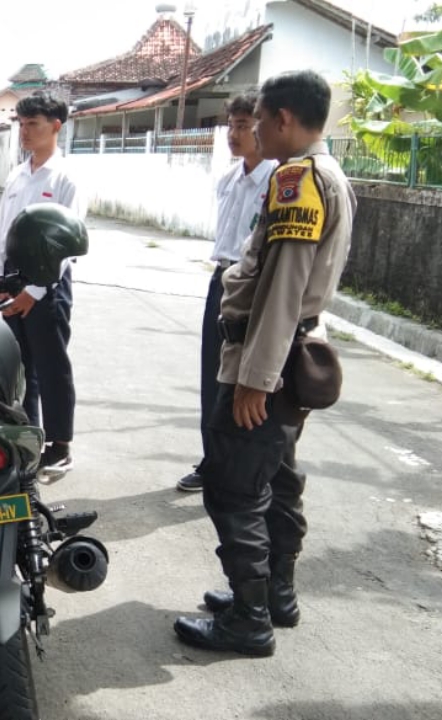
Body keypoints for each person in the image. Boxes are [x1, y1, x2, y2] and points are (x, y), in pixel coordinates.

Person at [173, 70, 356, 656]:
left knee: (233, 487)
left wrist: (255, 380)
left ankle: (249, 619)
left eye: (258, 122)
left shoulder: (297, 179)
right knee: (277, 479)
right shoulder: (331, 176)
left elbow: (283, 287)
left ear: (281, 119)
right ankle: (275, 594)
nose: (251, 132)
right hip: (292, 354)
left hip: (269, 360)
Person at [178, 90, 277, 492]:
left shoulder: (275, 178)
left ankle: (243, 468)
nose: (234, 134)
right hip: (221, 280)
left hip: (253, 288)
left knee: (245, 380)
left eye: (243, 125)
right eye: (231, 125)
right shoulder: (230, 179)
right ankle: (212, 461)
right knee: (212, 374)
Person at [0, 90, 84, 472]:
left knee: (50, 366)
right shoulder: (17, 173)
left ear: (56, 126)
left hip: (48, 281)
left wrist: (36, 291)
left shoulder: (66, 177)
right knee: (18, 367)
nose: (25, 132)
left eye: (34, 124)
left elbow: (67, 242)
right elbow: (3, 230)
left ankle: (60, 444)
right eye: (22, 124)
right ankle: (28, 438)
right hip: (13, 278)